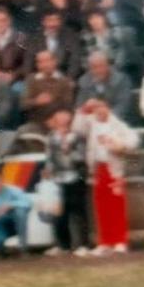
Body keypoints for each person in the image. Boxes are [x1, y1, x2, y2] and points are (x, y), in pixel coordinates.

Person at [72, 98, 138, 254]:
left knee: (117, 207)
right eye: (97, 108)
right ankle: (105, 242)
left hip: (114, 169)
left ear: (108, 108)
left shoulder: (118, 125)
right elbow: (76, 128)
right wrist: (84, 109)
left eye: (102, 107)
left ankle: (120, 241)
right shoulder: (90, 123)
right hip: (98, 169)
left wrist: (118, 145)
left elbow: (133, 140)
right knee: (101, 208)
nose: (100, 111)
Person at [43, 109, 91, 257]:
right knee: (59, 214)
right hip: (58, 179)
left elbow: (82, 156)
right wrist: (48, 170)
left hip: (76, 178)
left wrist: (68, 151)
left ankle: (83, 245)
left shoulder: (77, 137)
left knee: (79, 212)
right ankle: (63, 245)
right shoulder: (51, 137)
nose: (62, 121)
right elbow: (49, 156)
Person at [0, 166, 33, 258]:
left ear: (2, 180)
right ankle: (1, 251)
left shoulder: (13, 190)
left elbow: (28, 203)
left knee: (21, 212)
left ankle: (22, 248)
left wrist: (10, 205)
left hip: (15, 224)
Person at [20, 50, 74, 132]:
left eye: (48, 60)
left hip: (58, 122)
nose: (45, 65)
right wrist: (36, 101)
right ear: (37, 65)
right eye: (41, 62)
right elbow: (23, 104)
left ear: (54, 62)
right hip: (36, 121)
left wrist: (55, 120)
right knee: (23, 131)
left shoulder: (64, 81)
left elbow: (68, 105)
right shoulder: (31, 80)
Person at [25, 10, 83, 81]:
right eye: (49, 20)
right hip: (40, 75)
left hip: (63, 75)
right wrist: (28, 77)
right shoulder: (35, 38)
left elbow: (75, 60)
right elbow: (29, 60)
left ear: (60, 21)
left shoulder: (70, 36)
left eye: (56, 20)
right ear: (43, 22)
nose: (52, 24)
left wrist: (69, 78)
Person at [77, 52, 134, 122]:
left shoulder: (121, 80)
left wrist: (105, 114)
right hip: (92, 121)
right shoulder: (84, 81)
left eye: (101, 66)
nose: (98, 70)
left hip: (116, 121)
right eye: (94, 67)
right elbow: (80, 106)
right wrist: (86, 107)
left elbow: (123, 107)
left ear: (108, 66)